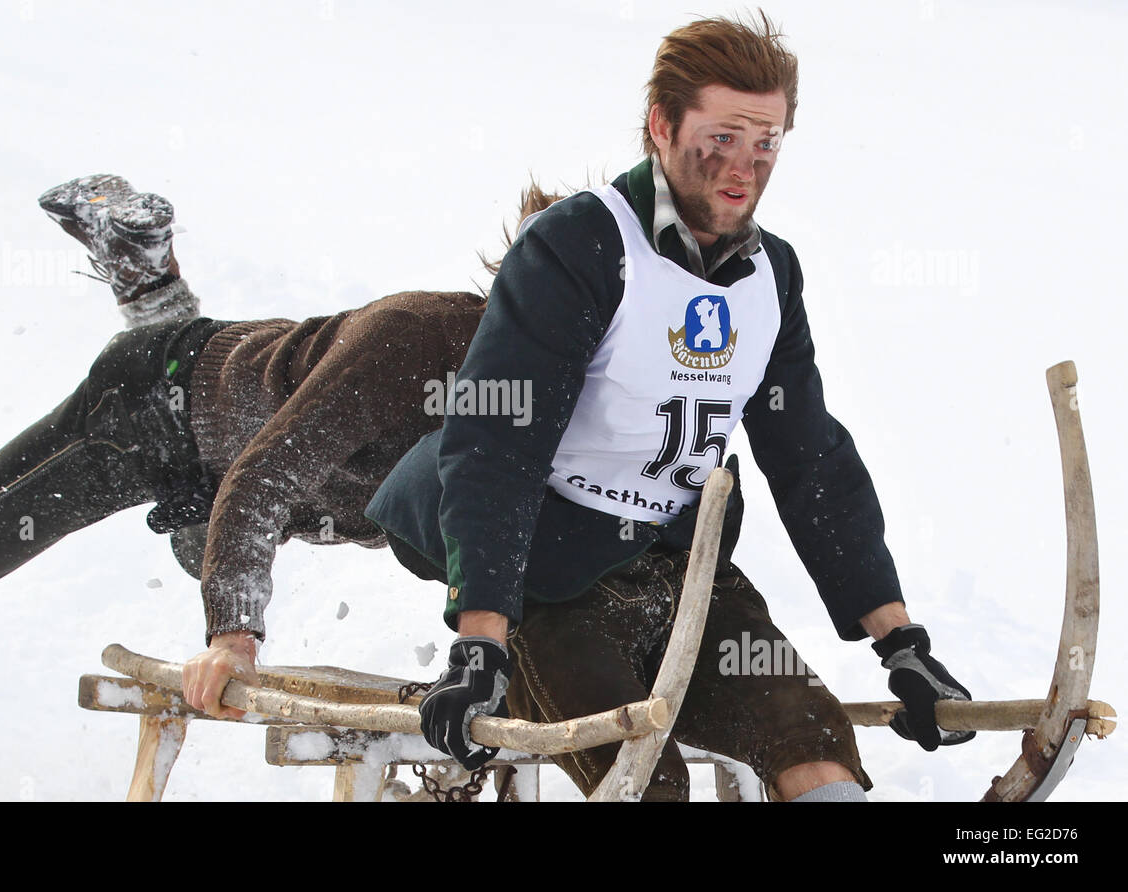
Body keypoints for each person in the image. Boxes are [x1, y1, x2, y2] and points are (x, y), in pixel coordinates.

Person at [365, 13, 975, 801]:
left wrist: (900, 644)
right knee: (643, 779)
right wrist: (480, 644)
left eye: (767, 142)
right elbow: (495, 445)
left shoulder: (772, 276)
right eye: (722, 136)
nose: (745, 165)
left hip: (683, 569)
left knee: (816, 748)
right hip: (546, 575)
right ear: (662, 124)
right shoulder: (580, 245)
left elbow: (809, 456)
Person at [0, 174, 484, 720]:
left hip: (215, 442)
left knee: (196, 548)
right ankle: (154, 308)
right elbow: (264, 479)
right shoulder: (417, 341)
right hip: (149, 414)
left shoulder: (538, 410)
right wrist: (233, 638)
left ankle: (148, 280)